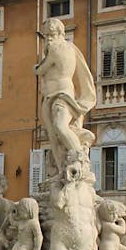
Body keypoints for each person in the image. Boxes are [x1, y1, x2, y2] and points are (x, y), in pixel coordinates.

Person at [34, 17, 96, 177]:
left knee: (60, 127)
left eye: (51, 34)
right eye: (46, 35)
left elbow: (39, 70)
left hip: (60, 94)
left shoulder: (56, 49)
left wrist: (37, 64)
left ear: (60, 33)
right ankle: (62, 170)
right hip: (54, 96)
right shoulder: (70, 48)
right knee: (54, 135)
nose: (48, 38)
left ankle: (78, 160)